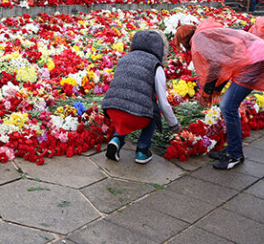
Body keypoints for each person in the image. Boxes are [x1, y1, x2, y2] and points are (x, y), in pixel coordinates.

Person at [173, 21, 264, 169]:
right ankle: (232, 150)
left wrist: (207, 92)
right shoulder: (205, 33)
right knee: (228, 105)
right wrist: (213, 90)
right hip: (253, 56)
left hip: (252, 62)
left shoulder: (198, 39)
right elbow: (223, 65)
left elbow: (216, 65)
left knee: (228, 107)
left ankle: (235, 155)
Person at [102, 30, 181, 164]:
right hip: (137, 116)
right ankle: (142, 150)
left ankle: (116, 140)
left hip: (112, 110)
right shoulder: (156, 65)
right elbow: (163, 102)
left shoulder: (125, 58)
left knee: (126, 105)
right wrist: (174, 126)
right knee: (153, 111)